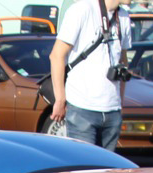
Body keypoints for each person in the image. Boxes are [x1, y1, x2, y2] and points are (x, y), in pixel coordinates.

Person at [50, 0, 131, 150]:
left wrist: (119, 103)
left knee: (108, 171)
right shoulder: (82, 9)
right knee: (84, 169)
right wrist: (60, 100)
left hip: (112, 111)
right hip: (82, 109)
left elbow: (123, 62)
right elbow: (56, 55)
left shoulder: (124, 16)